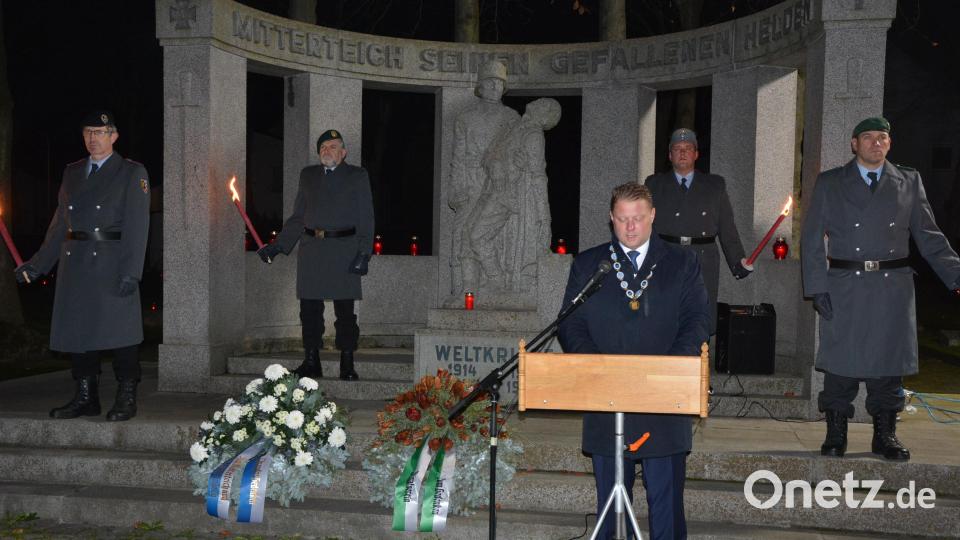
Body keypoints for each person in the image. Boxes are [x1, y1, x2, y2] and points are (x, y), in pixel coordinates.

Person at [801, 116, 960, 461]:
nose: (876, 143)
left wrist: (956, 276)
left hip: (892, 287)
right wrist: (817, 287)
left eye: (883, 138)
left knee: (888, 366)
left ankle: (885, 435)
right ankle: (836, 433)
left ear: (889, 144)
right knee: (841, 364)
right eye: (868, 137)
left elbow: (929, 236)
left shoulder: (908, 181)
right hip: (845, 284)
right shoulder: (831, 182)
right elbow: (812, 239)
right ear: (854, 144)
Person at [558, 183, 709, 540]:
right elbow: (570, 323)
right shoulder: (589, 264)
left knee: (666, 506)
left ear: (652, 216)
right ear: (611, 219)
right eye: (622, 219)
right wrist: (598, 368)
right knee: (611, 510)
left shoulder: (682, 262)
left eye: (638, 218)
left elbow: (697, 320)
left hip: (664, 400)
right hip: (605, 398)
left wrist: (668, 370)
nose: (630, 227)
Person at [15, 111, 150, 421]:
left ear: (114, 136)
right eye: (88, 132)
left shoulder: (131, 172)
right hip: (75, 263)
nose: (93, 138)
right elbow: (61, 222)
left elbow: (138, 226)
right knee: (79, 332)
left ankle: (126, 395)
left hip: (112, 260)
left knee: (122, 334)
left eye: (100, 132)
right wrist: (36, 266)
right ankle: (86, 396)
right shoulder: (72, 172)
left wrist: (132, 271)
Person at [257, 129, 374, 381]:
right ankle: (312, 361)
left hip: (344, 249)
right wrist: (277, 246)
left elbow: (367, 216)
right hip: (312, 250)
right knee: (309, 310)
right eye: (322, 147)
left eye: (332, 147)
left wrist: (365, 252)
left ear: (343, 152)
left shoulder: (357, 175)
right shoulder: (308, 175)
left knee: (345, 312)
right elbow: (298, 217)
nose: (326, 151)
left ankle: (347, 362)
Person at [644, 128, 752, 333]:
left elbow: (727, 227)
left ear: (696, 154)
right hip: (666, 255)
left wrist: (738, 262)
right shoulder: (654, 184)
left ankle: (698, 361)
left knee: (698, 314)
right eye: (677, 149)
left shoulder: (714, 185)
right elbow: (642, 224)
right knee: (665, 314)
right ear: (669, 155)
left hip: (703, 258)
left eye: (688, 148)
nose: (682, 152)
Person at [468, 97, 561, 292]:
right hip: (494, 190)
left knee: (477, 235)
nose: (540, 102)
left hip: (510, 196)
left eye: (546, 106)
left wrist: (544, 214)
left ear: (545, 118)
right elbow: (488, 156)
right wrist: (496, 167)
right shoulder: (514, 126)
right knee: (474, 234)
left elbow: (537, 176)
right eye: (543, 101)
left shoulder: (534, 135)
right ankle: (496, 279)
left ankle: (496, 279)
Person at [447, 60, 520, 300]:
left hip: (498, 188)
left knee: (485, 236)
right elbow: (458, 156)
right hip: (471, 184)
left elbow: (519, 156)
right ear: (481, 86)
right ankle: (467, 288)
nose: (494, 87)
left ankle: (496, 284)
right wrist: (457, 188)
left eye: (499, 83)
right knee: (464, 236)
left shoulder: (512, 118)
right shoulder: (465, 118)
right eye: (490, 82)